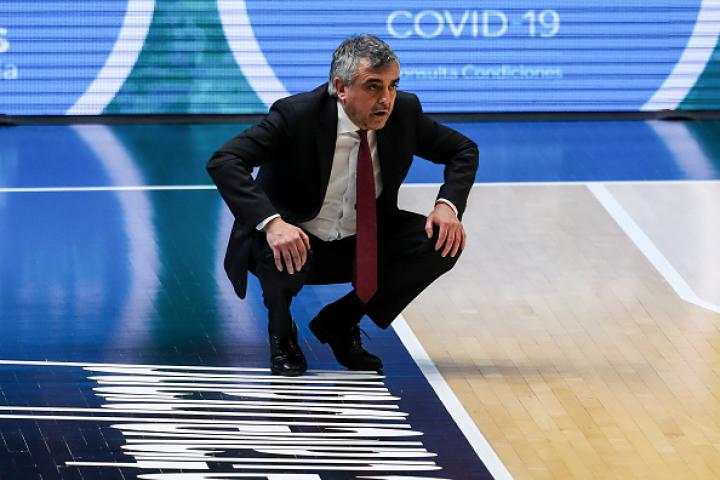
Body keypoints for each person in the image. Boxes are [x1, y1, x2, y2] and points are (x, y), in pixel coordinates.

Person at [207, 34, 478, 376]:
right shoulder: (297, 116)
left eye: (393, 86)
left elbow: (463, 150)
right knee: (281, 250)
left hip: (360, 242)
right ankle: (281, 332)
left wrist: (447, 206)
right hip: (295, 238)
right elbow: (226, 161)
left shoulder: (404, 114)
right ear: (341, 87)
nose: (386, 99)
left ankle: (341, 321)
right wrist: (272, 223)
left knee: (442, 243)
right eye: (373, 86)